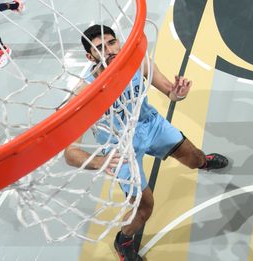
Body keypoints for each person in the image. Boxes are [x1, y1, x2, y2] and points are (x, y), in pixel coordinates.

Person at [64, 25, 229, 261]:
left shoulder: (138, 62)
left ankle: (203, 163)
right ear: (90, 57)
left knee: (196, 158)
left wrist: (178, 93)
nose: (109, 50)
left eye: (112, 43)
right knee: (144, 208)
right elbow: (70, 152)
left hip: (150, 125)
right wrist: (100, 160)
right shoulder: (84, 93)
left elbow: (170, 92)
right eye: (100, 48)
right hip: (119, 148)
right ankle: (124, 241)